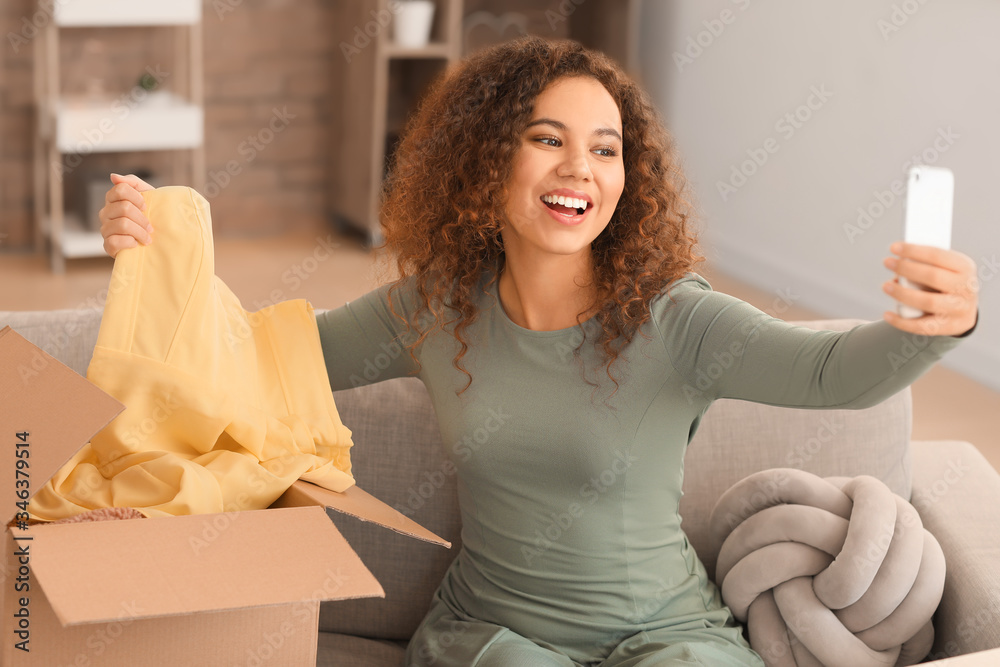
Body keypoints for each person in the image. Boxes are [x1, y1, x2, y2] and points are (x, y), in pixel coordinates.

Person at [100, 36, 977, 667]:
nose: (580, 171)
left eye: (606, 149)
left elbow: (835, 374)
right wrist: (158, 252)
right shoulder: (433, 309)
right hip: (495, 639)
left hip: (668, 636)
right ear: (487, 160)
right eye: (547, 138)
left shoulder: (678, 321)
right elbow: (258, 357)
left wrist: (934, 321)